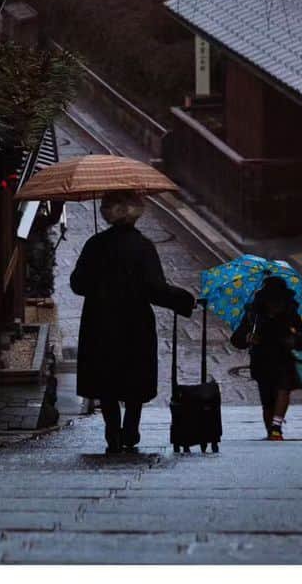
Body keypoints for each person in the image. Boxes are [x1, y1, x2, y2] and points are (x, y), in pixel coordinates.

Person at [70, 190, 194, 454]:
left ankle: (112, 430)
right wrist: (184, 299)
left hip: (99, 321)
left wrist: (96, 277)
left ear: (107, 212)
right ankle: (131, 427)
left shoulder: (95, 244)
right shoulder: (143, 246)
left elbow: (77, 284)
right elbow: (155, 289)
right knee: (133, 376)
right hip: (134, 322)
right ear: (135, 212)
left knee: (106, 379)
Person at [231, 275, 302, 440]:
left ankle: (276, 427)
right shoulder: (253, 314)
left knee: (283, 388)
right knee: (267, 397)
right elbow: (237, 339)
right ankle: (271, 431)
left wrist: (292, 338)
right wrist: (248, 338)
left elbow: (300, 335)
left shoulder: (290, 313)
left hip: (284, 357)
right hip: (262, 359)